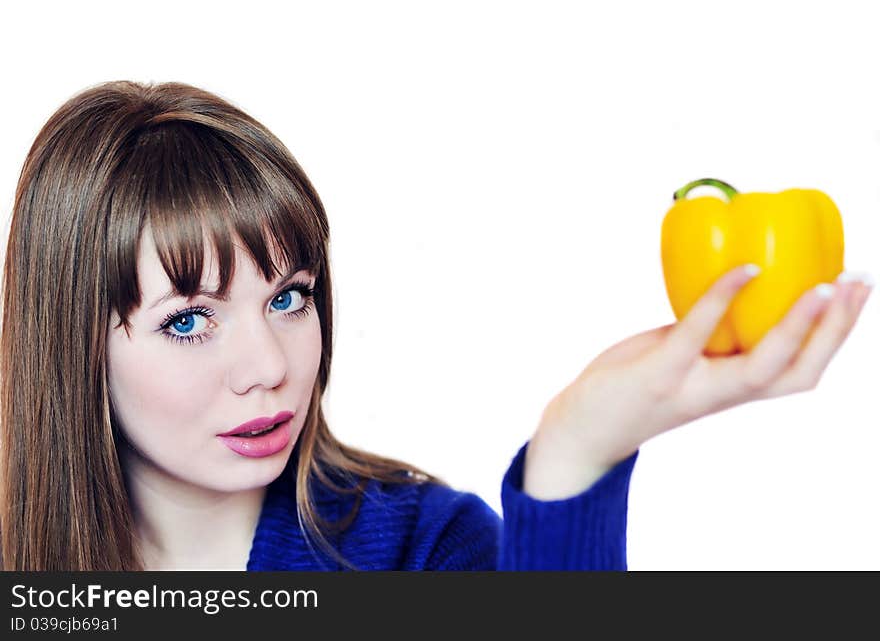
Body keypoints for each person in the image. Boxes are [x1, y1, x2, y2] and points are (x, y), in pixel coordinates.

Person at [0, 81, 872, 571]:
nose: (268, 366)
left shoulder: (424, 549)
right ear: (71, 345)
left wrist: (577, 449)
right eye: (189, 318)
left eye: (288, 297)